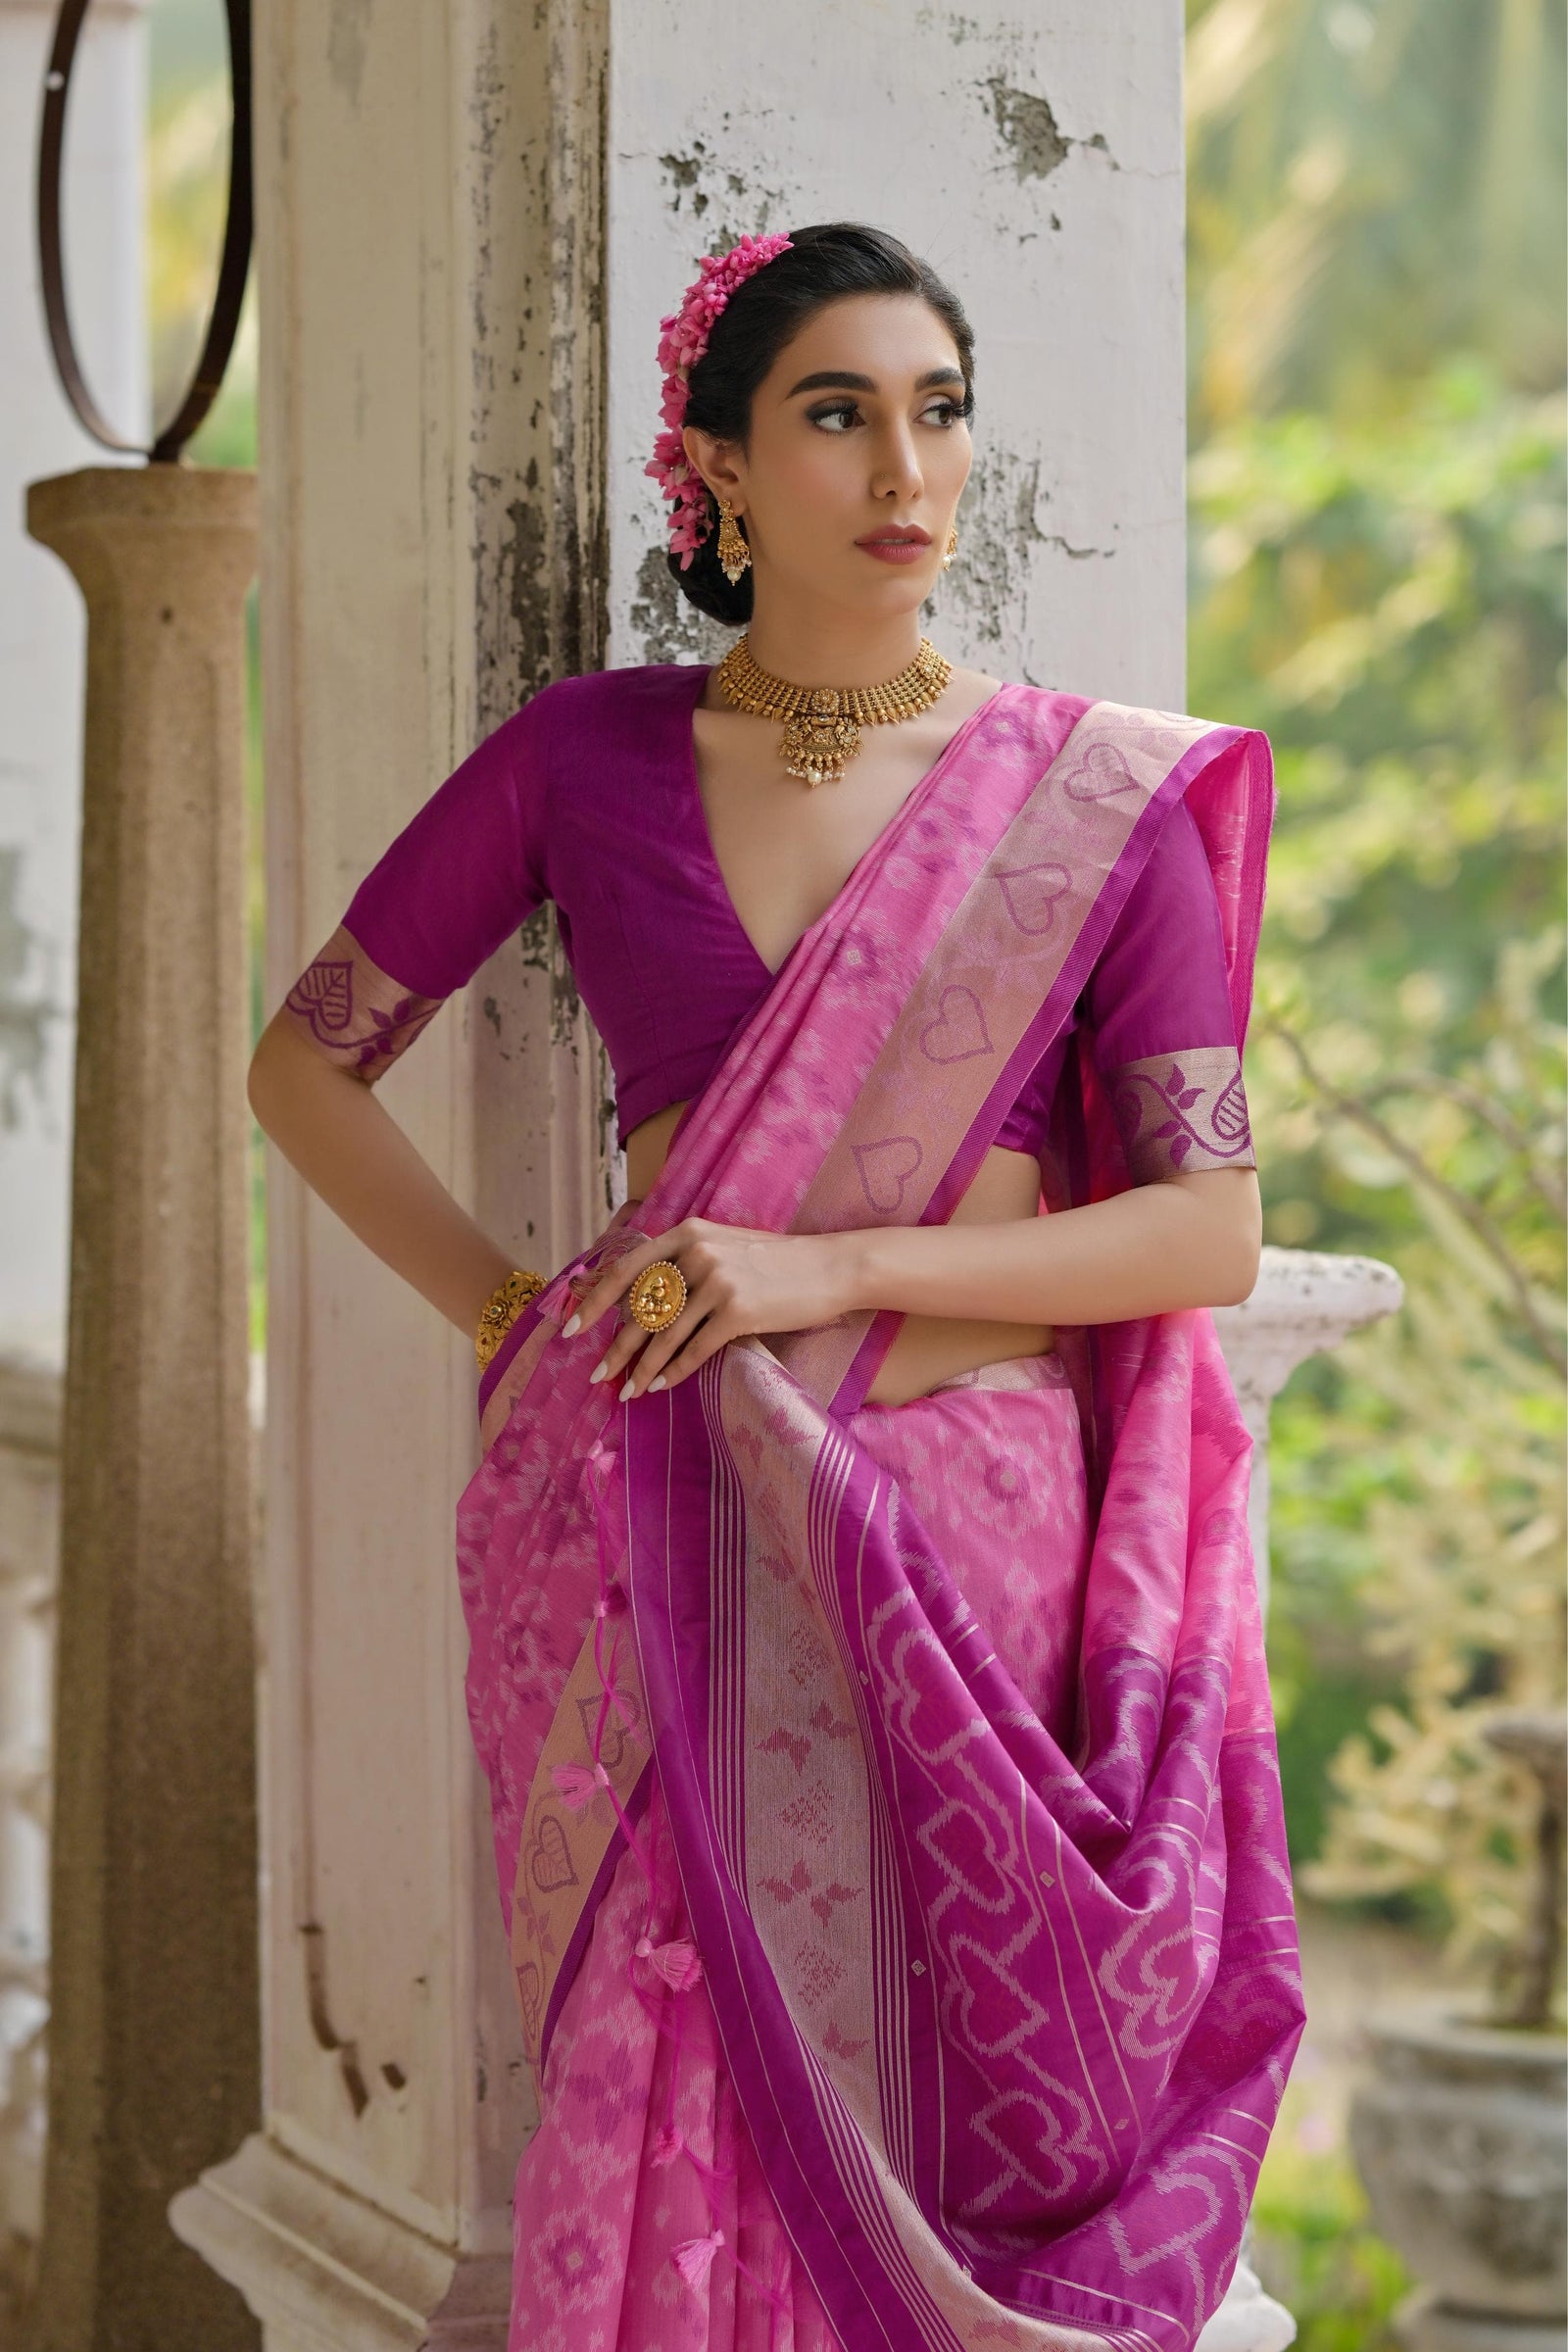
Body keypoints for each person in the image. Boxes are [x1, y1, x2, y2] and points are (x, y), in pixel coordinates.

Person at [249, 222, 1303, 2352]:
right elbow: (303, 1065)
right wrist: (504, 1316)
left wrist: (827, 1258)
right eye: (833, 414)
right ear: (717, 467)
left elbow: (1203, 1230)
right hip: (659, 1516)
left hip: (971, 1534)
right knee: (675, 2072)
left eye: (935, 411)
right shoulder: (587, 762)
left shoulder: (1085, 806)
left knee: (933, 2095)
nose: (901, 467)